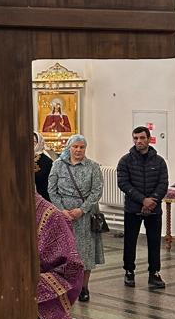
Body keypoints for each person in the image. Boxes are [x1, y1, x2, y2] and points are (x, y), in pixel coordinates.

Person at [48, 134, 105, 303]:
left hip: (85, 215)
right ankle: (65, 286)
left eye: (82, 147)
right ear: (69, 147)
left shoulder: (93, 167)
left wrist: (82, 209)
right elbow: (52, 190)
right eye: (75, 147)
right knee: (64, 252)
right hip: (64, 215)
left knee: (85, 253)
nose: (78, 150)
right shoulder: (58, 165)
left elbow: (97, 191)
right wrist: (62, 210)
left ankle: (83, 287)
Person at [117, 126, 168, 290]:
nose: (138, 141)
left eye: (142, 138)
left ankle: (154, 273)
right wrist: (142, 200)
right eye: (136, 138)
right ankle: (129, 271)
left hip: (154, 208)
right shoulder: (125, 161)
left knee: (154, 242)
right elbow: (123, 183)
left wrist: (152, 201)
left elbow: (163, 183)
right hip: (133, 208)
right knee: (130, 241)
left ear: (149, 139)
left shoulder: (159, 162)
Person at [34, 132, 53, 199]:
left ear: (39, 143)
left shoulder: (47, 161)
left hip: (44, 198)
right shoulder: (21, 159)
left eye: (34, 142)